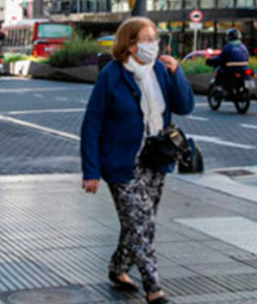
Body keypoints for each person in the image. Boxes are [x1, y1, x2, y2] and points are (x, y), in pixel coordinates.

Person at [80, 17, 194, 304]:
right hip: (122, 164)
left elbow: (185, 106)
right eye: (145, 39)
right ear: (130, 44)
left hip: (156, 160)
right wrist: (91, 170)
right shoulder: (112, 75)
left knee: (138, 222)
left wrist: (177, 73)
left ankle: (118, 267)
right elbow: (92, 123)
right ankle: (154, 288)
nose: (152, 44)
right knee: (142, 224)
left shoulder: (160, 70)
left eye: (154, 37)